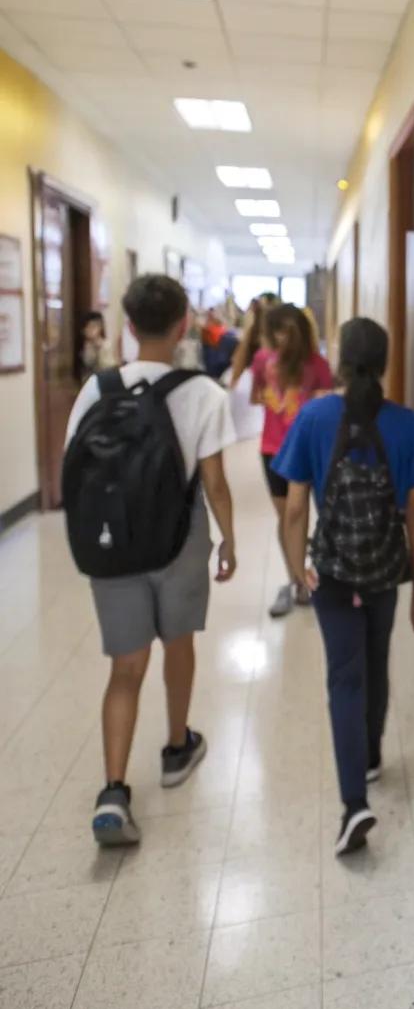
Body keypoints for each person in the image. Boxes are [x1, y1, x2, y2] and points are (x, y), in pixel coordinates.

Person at [64, 275, 237, 846]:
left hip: (113, 544)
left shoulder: (97, 390)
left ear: (129, 326)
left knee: (125, 669)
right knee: (178, 646)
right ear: (184, 324)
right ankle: (176, 746)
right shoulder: (204, 393)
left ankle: (113, 791)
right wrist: (229, 540)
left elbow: (78, 468)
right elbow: (213, 482)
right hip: (179, 540)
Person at [275, 318, 414, 855]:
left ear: (340, 362)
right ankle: (369, 758)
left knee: (345, 677)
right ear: (387, 363)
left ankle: (353, 806)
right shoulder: (406, 424)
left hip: (335, 573)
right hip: (386, 571)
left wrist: (299, 572)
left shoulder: (314, 417)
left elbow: (296, 507)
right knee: (376, 660)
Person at [252, 302, 334, 618]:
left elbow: (327, 409)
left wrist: (311, 400)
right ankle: (296, 580)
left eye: (288, 330)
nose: (282, 338)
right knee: (287, 517)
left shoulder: (318, 365)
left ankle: (316, 574)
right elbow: (256, 395)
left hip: (311, 450)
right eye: (276, 332)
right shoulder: (262, 360)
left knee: (315, 514)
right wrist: (275, 397)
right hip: (273, 449)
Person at [80, 310, 117, 376]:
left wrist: (99, 348)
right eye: (86, 327)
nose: (89, 330)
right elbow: (87, 363)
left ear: (100, 327)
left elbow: (109, 367)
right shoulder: (87, 345)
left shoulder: (106, 345)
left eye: (93, 326)